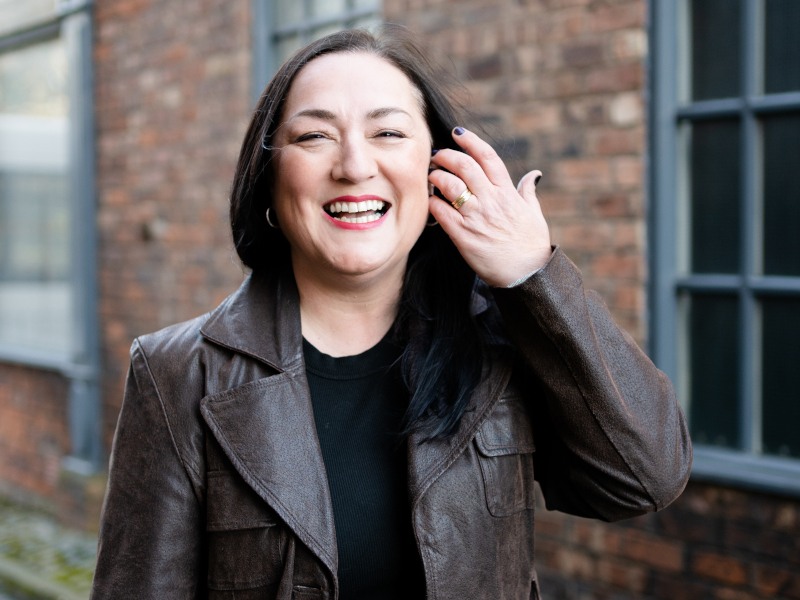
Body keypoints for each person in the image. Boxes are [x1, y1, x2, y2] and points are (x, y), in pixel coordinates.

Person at [91, 26, 692, 600]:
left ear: (436, 169)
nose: (354, 165)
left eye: (388, 134)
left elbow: (644, 478)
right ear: (270, 179)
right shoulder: (176, 374)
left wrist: (532, 276)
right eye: (314, 136)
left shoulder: (506, 342)